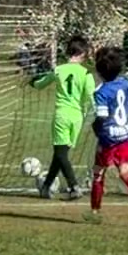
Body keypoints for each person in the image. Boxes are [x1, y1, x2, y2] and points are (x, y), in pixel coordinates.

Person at [88, 46, 128, 227]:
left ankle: (95, 211)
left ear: (99, 71)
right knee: (125, 170)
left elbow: (102, 116)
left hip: (109, 139)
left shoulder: (101, 92)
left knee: (98, 172)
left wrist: (96, 128)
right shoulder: (126, 83)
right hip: (127, 135)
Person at [31, 34, 95, 200]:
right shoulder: (86, 73)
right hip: (77, 117)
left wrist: (32, 82)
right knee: (61, 153)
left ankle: (74, 186)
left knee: (61, 154)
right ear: (82, 53)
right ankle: (46, 187)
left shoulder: (59, 70)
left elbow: (41, 84)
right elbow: (92, 97)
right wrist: (97, 114)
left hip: (62, 115)